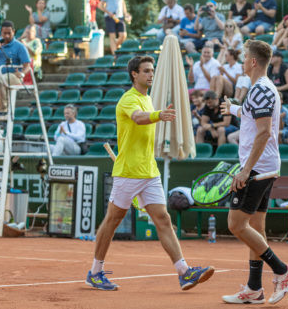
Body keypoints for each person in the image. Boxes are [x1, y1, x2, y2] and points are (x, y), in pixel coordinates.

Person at [85, 55, 215, 291]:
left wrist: (156, 113)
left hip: (149, 171)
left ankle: (184, 272)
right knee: (112, 221)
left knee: (163, 219)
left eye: (152, 71)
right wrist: (158, 115)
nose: (150, 75)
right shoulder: (128, 100)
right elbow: (138, 118)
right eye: (146, 71)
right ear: (134, 74)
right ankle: (95, 272)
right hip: (128, 172)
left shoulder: (148, 99)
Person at [219, 40, 288, 305]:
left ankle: (282, 270)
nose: (242, 61)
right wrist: (231, 109)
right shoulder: (261, 89)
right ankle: (254, 288)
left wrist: (245, 171)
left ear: (253, 61)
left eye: (244, 57)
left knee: (236, 224)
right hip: (266, 167)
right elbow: (250, 114)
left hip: (258, 170)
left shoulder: (260, 89)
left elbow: (264, 132)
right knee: (256, 227)